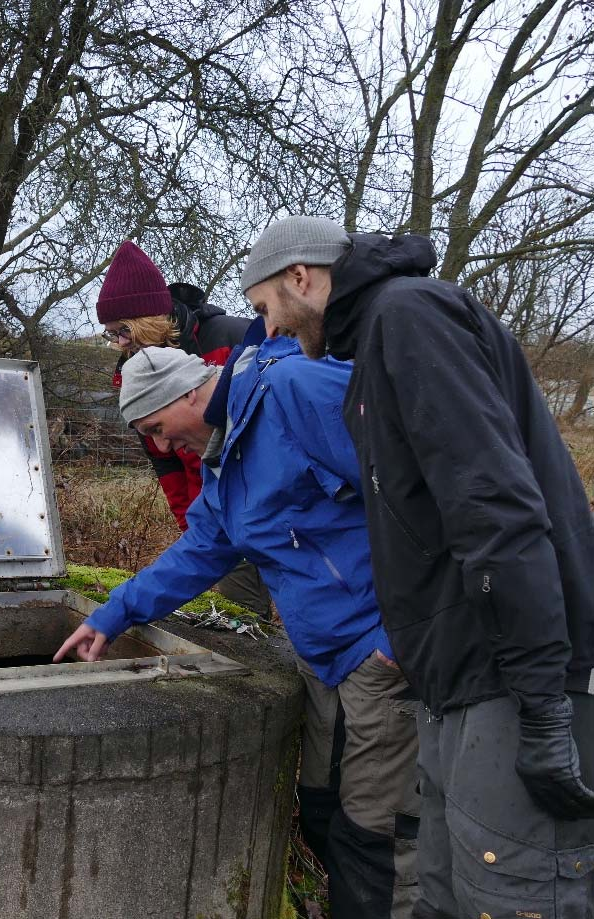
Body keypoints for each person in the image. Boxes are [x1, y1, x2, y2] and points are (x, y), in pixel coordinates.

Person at [240, 215, 594, 919]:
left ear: (299, 277)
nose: (269, 330)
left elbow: (496, 508)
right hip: (454, 678)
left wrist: (544, 701)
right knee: (447, 895)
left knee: (515, 894)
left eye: (265, 308)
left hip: (509, 677)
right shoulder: (375, 345)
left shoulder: (408, 317)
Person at [54, 341, 421, 918]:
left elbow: (422, 488)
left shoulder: (292, 395)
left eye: (158, 425)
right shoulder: (223, 460)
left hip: (376, 650)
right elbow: (201, 549)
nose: (161, 446)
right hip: (320, 654)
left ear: (191, 392)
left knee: (376, 832)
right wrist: (113, 612)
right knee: (323, 807)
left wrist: (402, 638)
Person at [96, 240, 270, 616]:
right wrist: (194, 529)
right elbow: (165, 462)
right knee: (236, 609)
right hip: (214, 513)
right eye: (112, 334)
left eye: (123, 330)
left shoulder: (228, 338)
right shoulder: (131, 378)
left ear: (149, 318)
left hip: (265, 496)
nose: (120, 343)